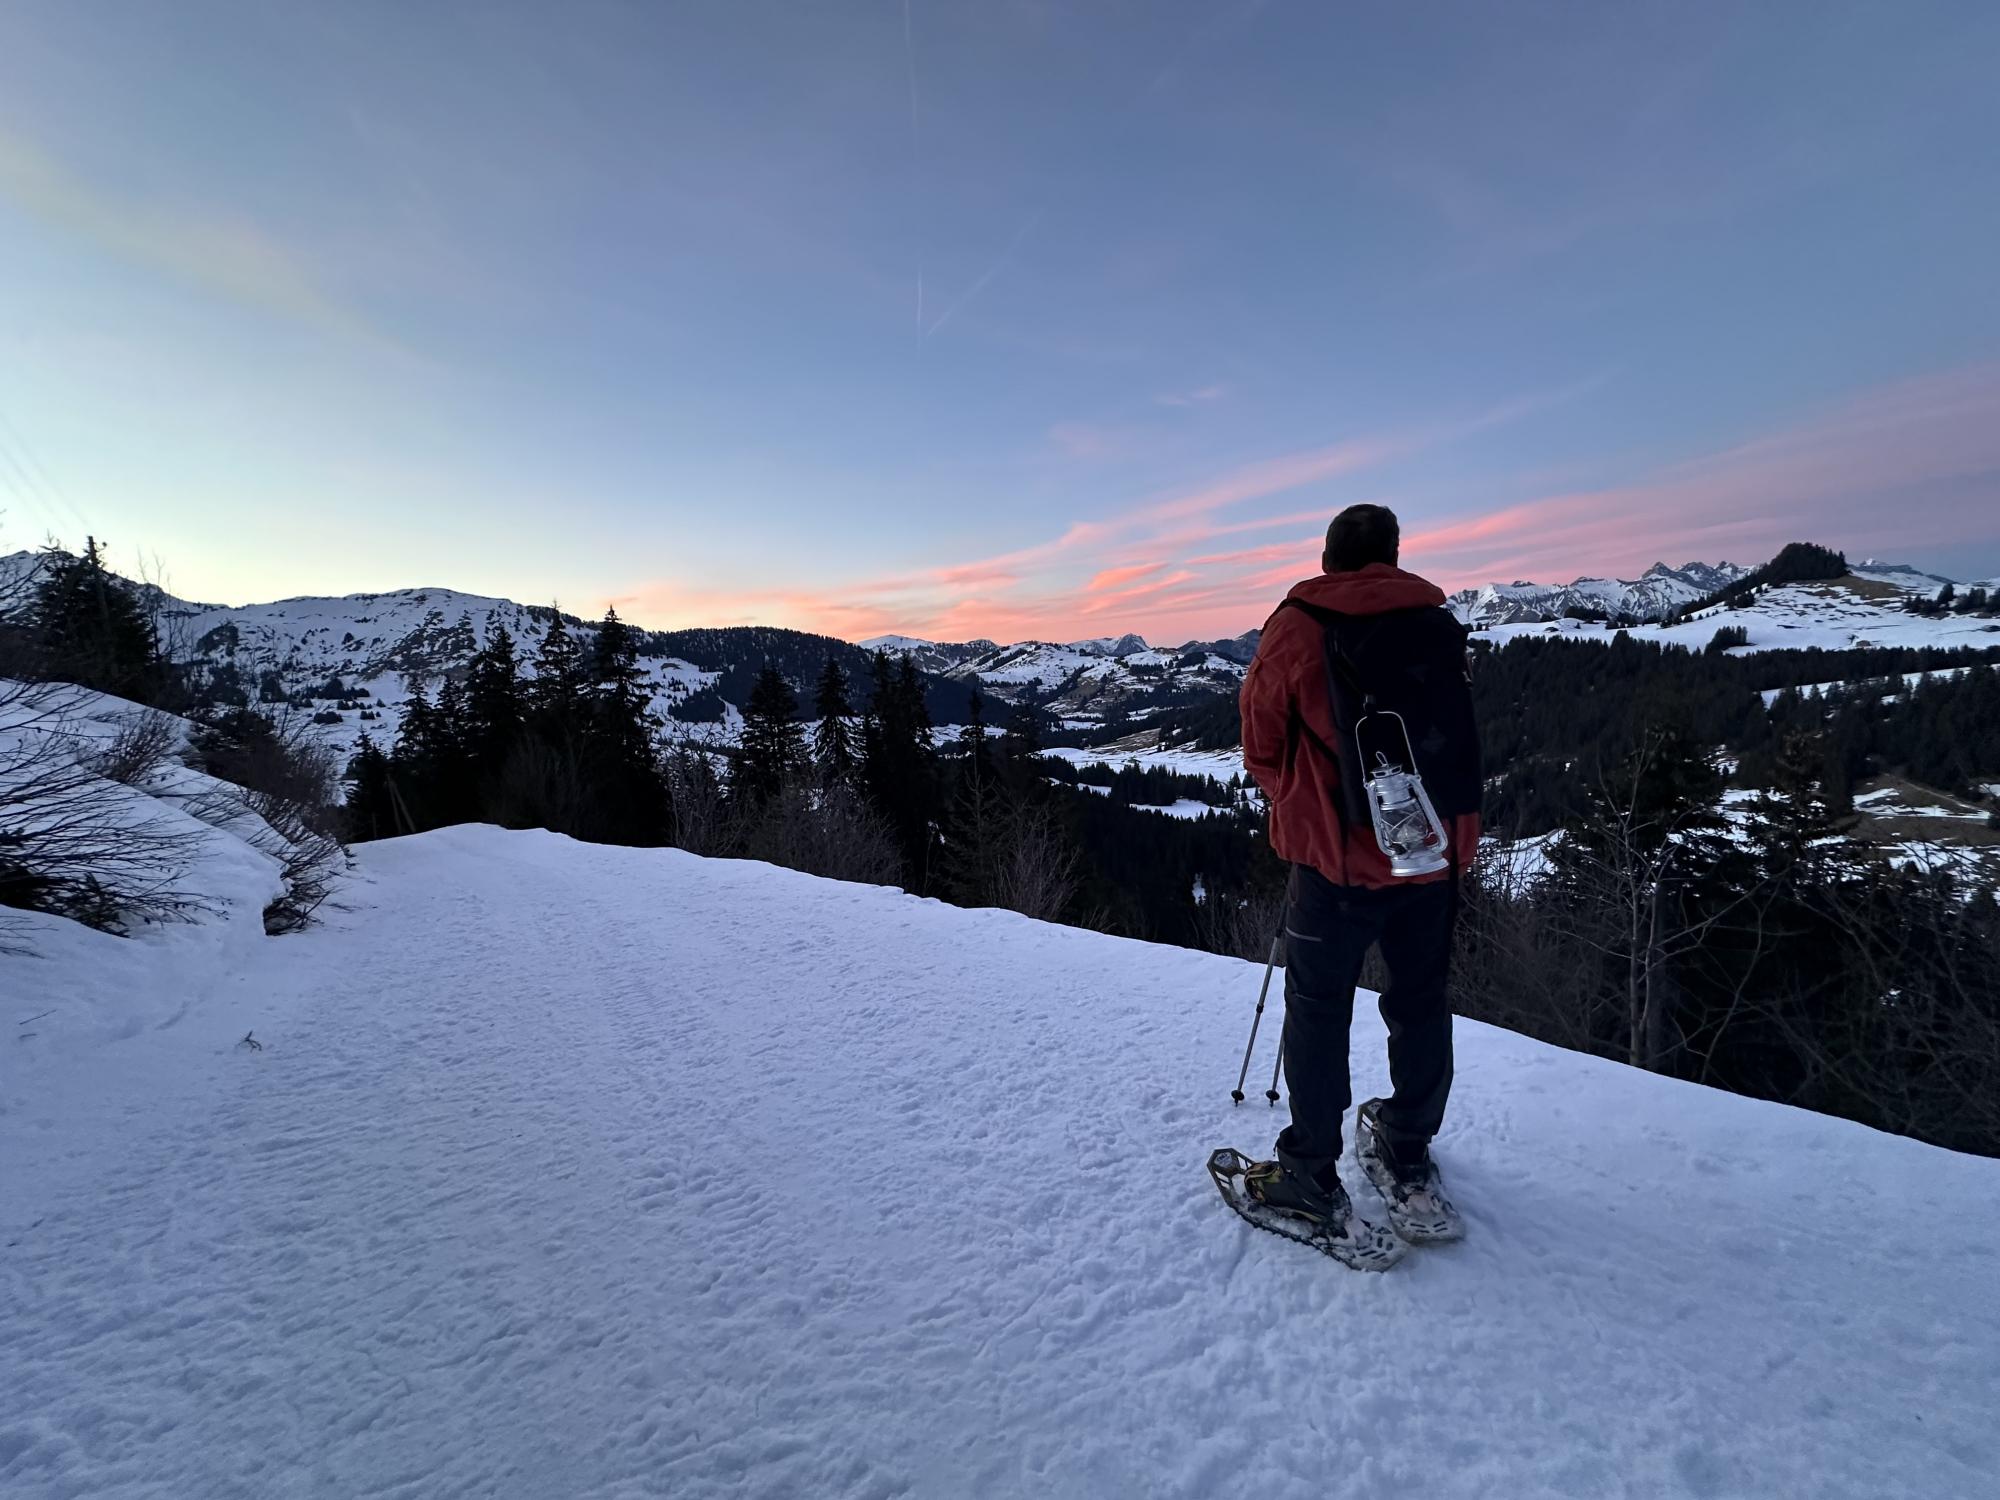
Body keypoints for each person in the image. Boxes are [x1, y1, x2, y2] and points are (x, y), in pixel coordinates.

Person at [1236, 503, 1481, 1244]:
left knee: (1318, 1007)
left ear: (1329, 559)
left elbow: (1260, 736)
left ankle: (1309, 1173)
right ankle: (1406, 1150)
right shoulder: (1434, 620)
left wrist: (1295, 803)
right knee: (1419, 1001)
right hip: (1431, 855)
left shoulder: (1302, 620)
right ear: (1395, 555)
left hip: (1337, 860)